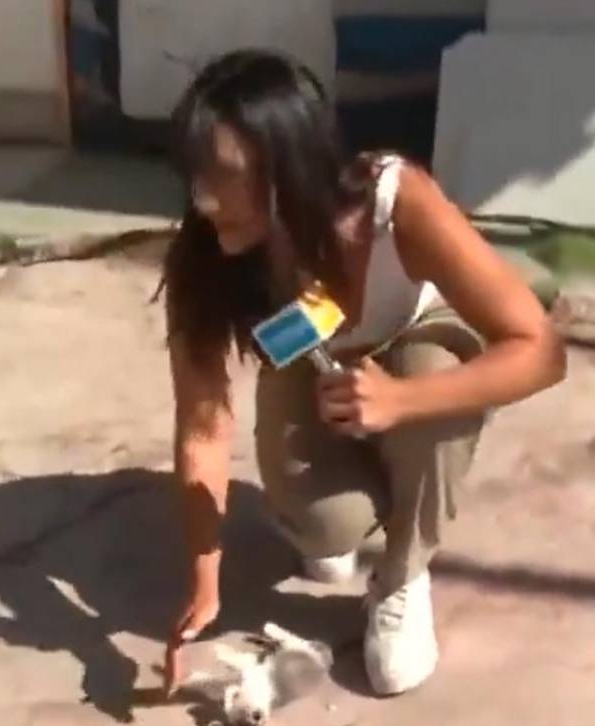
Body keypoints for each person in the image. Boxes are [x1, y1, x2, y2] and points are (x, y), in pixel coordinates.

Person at [158, 49, 566, 696]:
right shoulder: (206, 255)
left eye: (225, 173)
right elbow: (203, 427)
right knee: (324, 530)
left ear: (286, 166)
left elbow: (541, 351)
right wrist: (204, 586)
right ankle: (365, 490)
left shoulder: (392, 201)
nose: (205, 198)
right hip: (313, 363)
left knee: (441, 403)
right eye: (195, 173)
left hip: (418, 340)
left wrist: (403, 401)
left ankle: (402, 576)